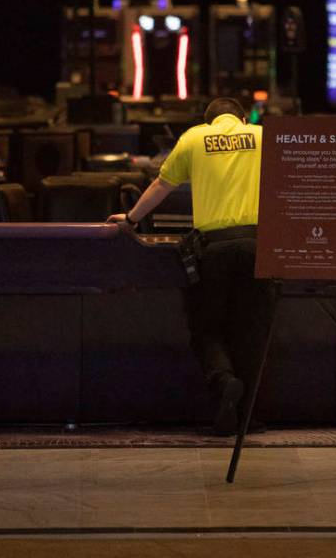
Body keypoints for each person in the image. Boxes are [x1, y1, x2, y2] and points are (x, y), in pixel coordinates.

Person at [108, 97, 272, 436]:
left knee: (206, 327)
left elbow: (161, 185)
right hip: (258, 245)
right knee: (252, 332)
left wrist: (131, 218)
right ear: (241, 118)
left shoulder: (195, 138)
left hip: (214, 247)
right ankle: (246, 417)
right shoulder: (261, 136)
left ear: (209, 120)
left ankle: (224, 380)